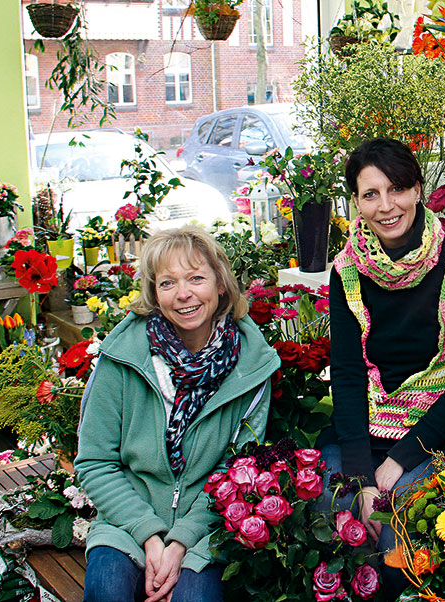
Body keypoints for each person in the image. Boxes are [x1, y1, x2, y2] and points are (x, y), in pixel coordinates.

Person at [322, 137, 445, 597]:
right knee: (332, 517)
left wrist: (400, 459)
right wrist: (360, 478)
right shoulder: (346, 270)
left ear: (418, 189)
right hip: (363, 436)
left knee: (396, 545)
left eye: (396, 189)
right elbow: (349, 373)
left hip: (434, 438)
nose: (386, 206)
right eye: (370, 194)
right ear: (355, 202)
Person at [75, 226, 280, 602]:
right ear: (154, 294)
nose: (183, 294)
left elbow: (238, 475)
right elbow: (95, 461)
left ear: (221, 285)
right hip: (127, 522)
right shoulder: (124, 359)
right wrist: (148, 535)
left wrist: (181, 542)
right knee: (106, 590)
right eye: (168, 283)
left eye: (196, 278)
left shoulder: (251, 367)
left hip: (207, 528)